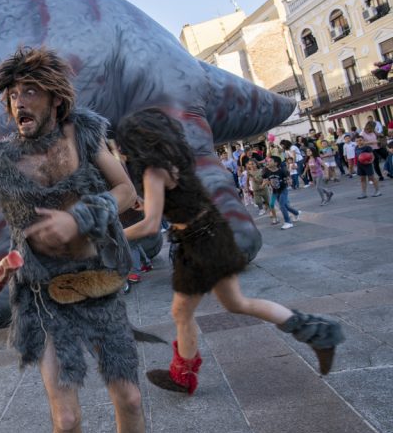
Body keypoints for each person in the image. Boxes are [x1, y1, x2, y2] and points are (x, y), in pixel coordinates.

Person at [0, 47, 144, 433]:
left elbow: (126, 190)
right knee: (66, 418)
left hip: (98, 283)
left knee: (130, 399)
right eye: (12, 96)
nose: (18, 102)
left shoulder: (84, 135)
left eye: (29, 91)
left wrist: (81, 217)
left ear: (56, 99)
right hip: (42, 298)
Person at [116, 109, 344, 396]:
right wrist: (149, 203)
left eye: (122, 143)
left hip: (200, 243)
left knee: (184, 311)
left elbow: (150, 225)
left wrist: (113, 237)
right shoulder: (170, 161)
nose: (120, 149)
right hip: (209, 233)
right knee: (234, 303)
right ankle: (319, 334)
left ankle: (183, 376)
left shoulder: (152, 171)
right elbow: (172, 201)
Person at [262, 156, 300, 230]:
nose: (268, 162)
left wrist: (289, 181)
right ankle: (296, 213)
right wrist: (264, 184)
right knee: (285, 206)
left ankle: (288, 222)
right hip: (274, 191)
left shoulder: (281, 171)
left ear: (276, 163)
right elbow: (264, 181)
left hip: (283, 190)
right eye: (268, 161)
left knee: (282, 205)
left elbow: (288, 178)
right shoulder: (266, 172)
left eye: (270, 161)